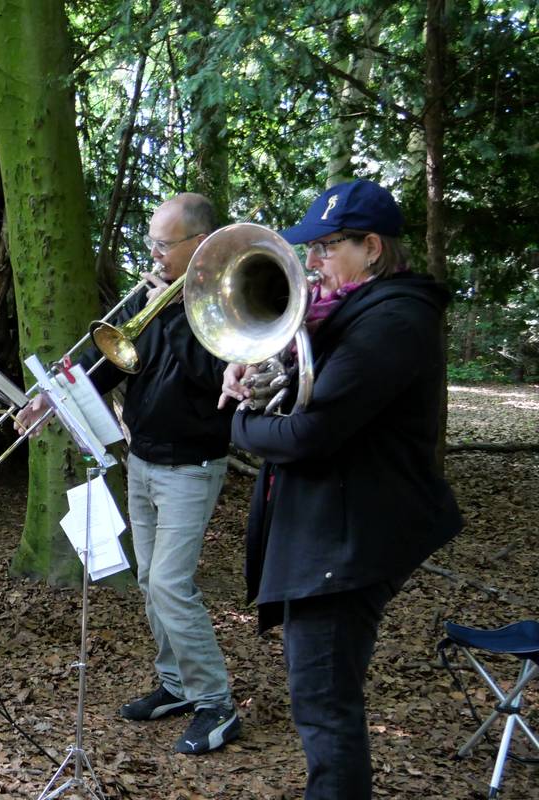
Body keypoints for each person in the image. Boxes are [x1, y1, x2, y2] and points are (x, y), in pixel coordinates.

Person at [222, 179, 462, 798]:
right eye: (312, 248)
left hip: (347, 542)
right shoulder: (349, 313)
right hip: (327, 528)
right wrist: (253, 374)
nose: (312, 262)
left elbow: (308, 433)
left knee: (325, 709)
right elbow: (306, 397)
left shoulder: (395, 320)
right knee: (321, 703)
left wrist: (242, 419)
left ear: (372, 248)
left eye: (327, 247)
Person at [14, 193, 241, 754]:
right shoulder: (146, 297)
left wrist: (177, 305)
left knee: (169, 583)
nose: (155, 254)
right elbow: (104, 363)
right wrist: (50, 401)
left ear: (198, 245)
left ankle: (216, 702)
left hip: (192, 465)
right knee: (148, 580)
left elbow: (211, 376)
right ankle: (175, 684)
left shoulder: (220, 306)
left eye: (164, 245)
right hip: (142, 459)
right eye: (152, 244)